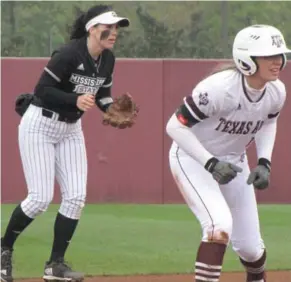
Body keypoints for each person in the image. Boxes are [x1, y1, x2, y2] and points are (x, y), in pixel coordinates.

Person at [1, 4, 138, 282]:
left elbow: (102, 95)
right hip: (40, 123)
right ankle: (4, 249)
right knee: (39, 199)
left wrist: (111, 109)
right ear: (92, 29)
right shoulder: (68, 54)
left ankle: (55, 266)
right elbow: (42, 90)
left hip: (71, 128)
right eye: (108, 28)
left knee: (75, 198)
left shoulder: (108, 60)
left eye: (116, 30)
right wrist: (73, 100)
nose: (113, 33)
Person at [166, 24, 290, 282]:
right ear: (247, 59)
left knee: (251, 250)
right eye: (269, 55)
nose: (278, 61)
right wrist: (210, 163)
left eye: (279, 54)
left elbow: (268, 122)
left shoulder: (276, 91)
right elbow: (174, 126)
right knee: (218, 227)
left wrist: (264, 162)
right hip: (192, 159)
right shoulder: (219, 89)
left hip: (234, 162)